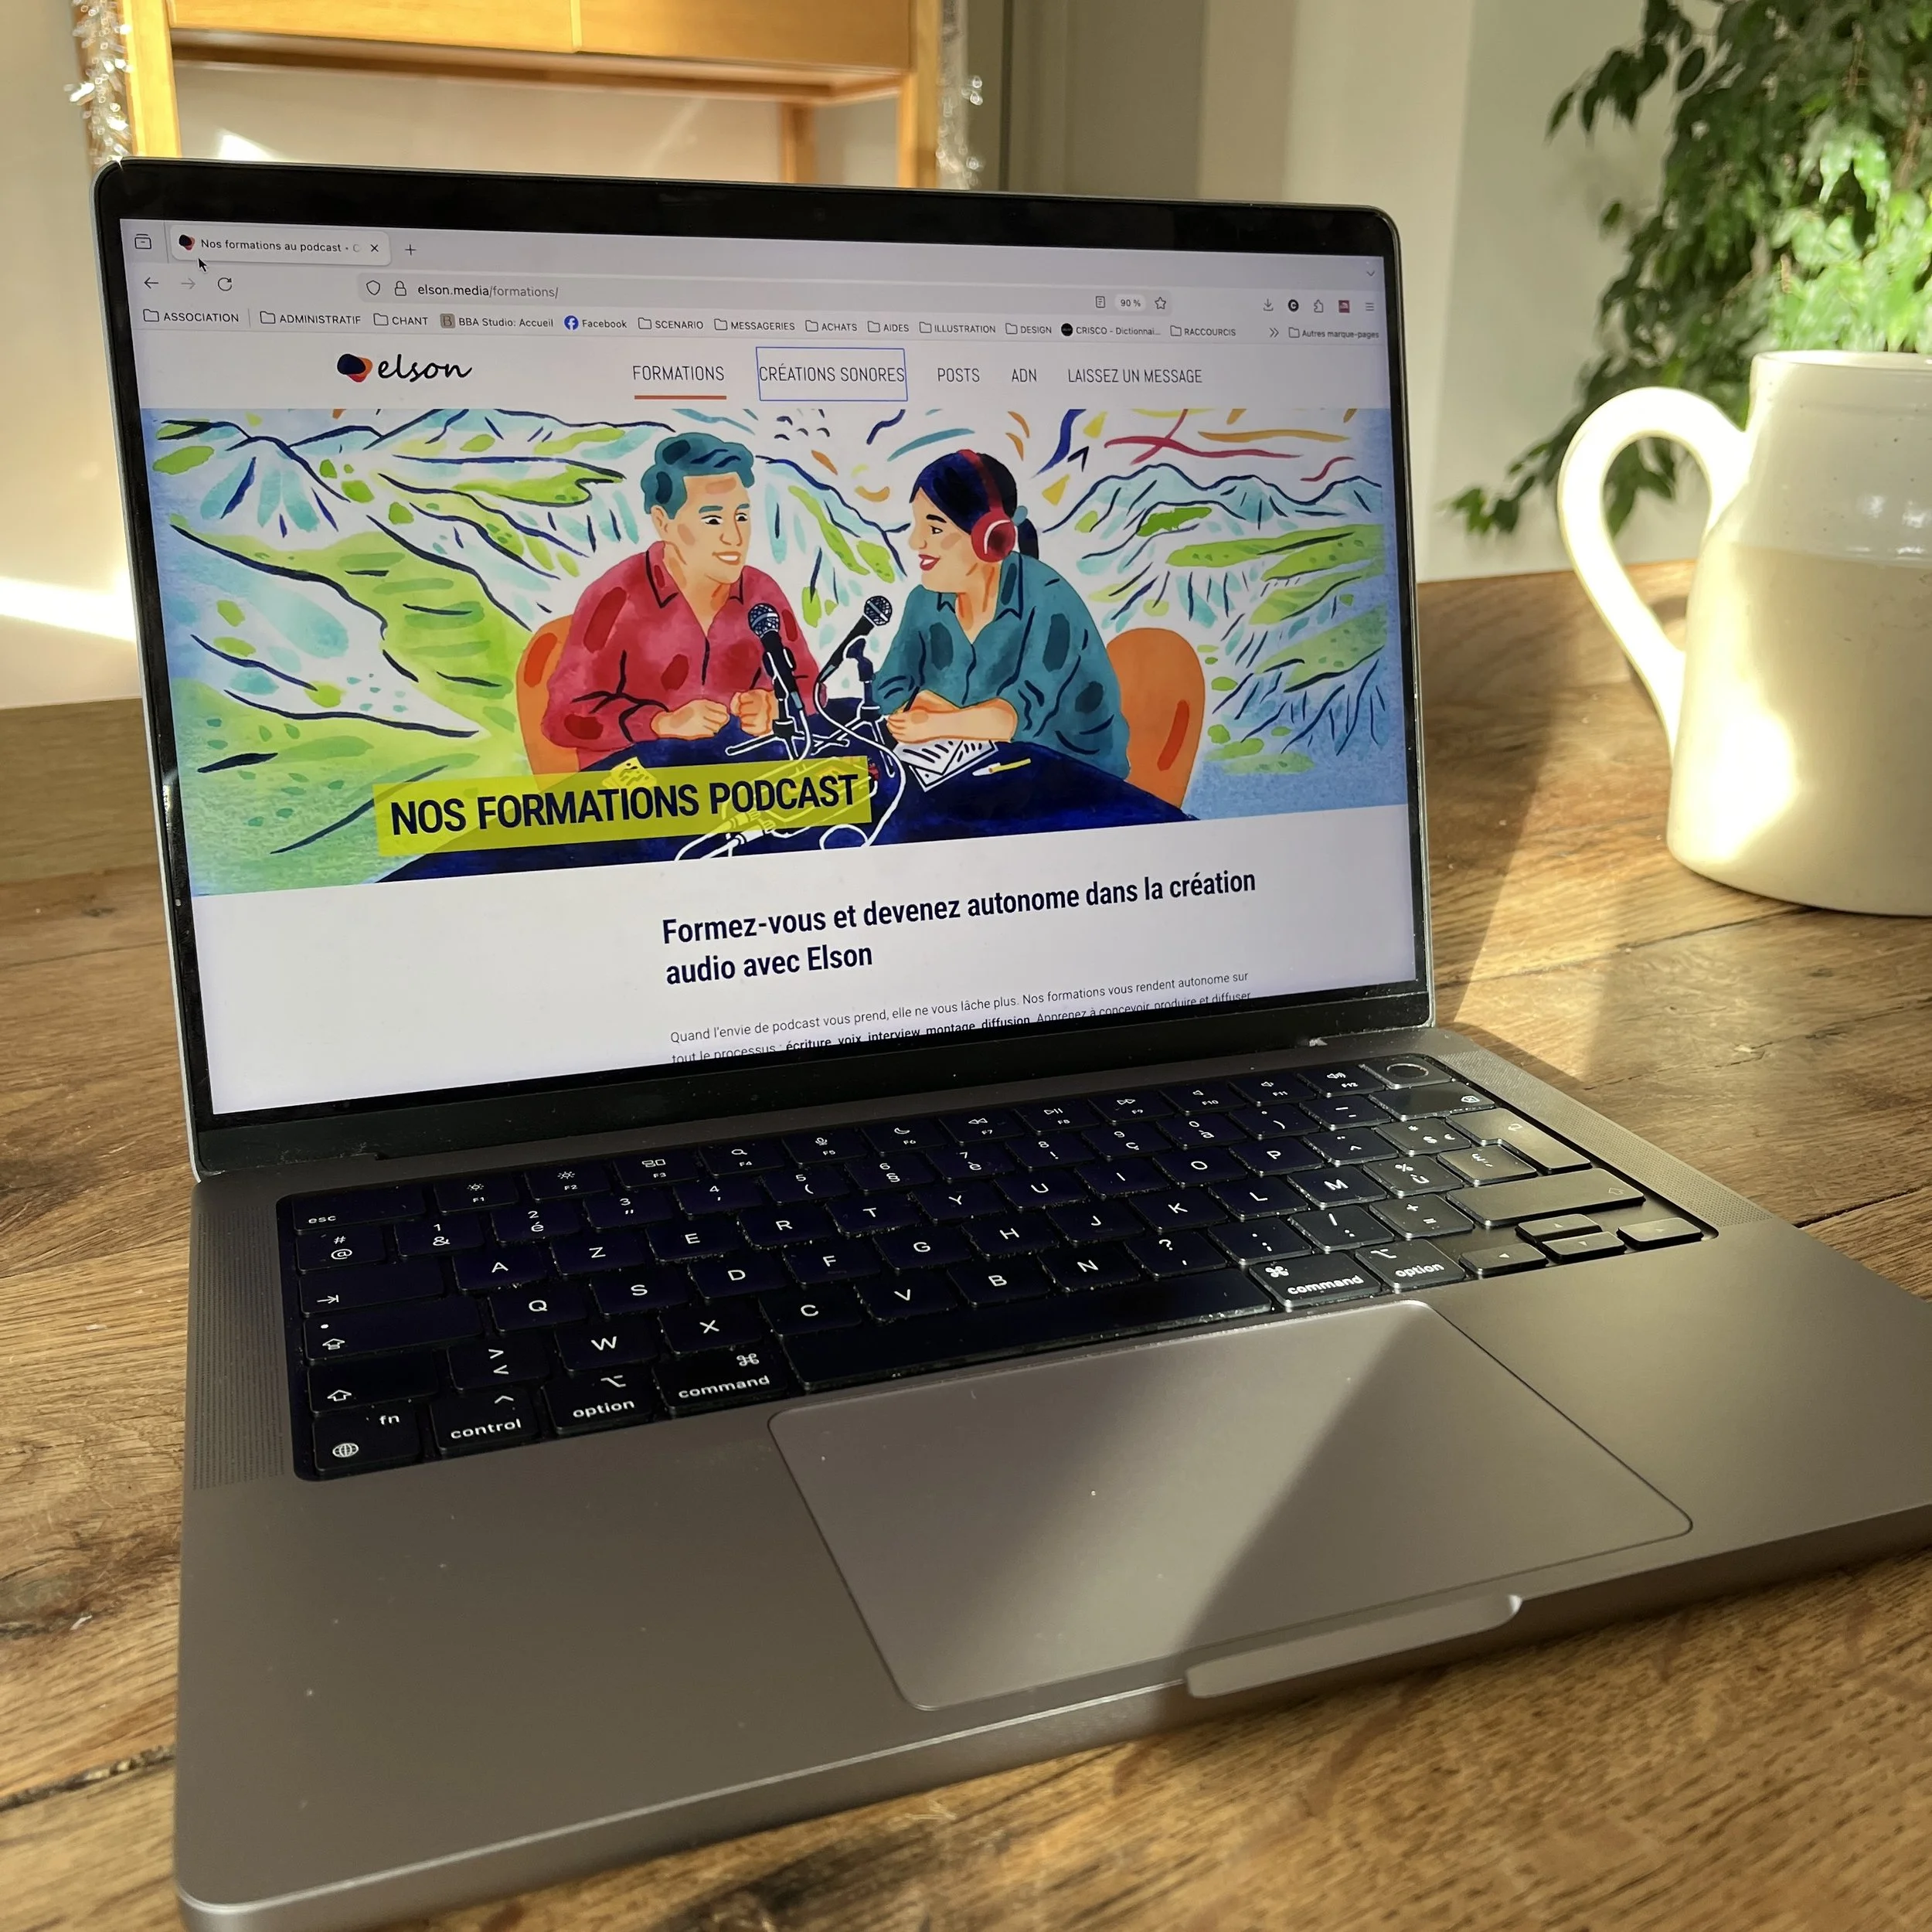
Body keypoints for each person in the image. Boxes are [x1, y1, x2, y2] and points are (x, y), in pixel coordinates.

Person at [543, 431, 816, 760]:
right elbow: (563, 716)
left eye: (741, 516)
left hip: (740, 774)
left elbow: (811, 685)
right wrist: (660, 723)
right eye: (712, 519)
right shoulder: (617, 596)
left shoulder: (761, 594)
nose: (734, 536)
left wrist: (774, 705)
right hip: (640, 781)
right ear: (664, 523)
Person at [873, 450, 1128, 777]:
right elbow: (887, 687)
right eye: (916, 525)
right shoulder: (923, 601)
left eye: (934, 529)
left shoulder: (1050, 599)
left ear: (991, 538)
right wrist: (920, 705)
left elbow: (1018, 714)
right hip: (979, 767)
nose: (914, 542)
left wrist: (938, 723)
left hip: (1073, 778)